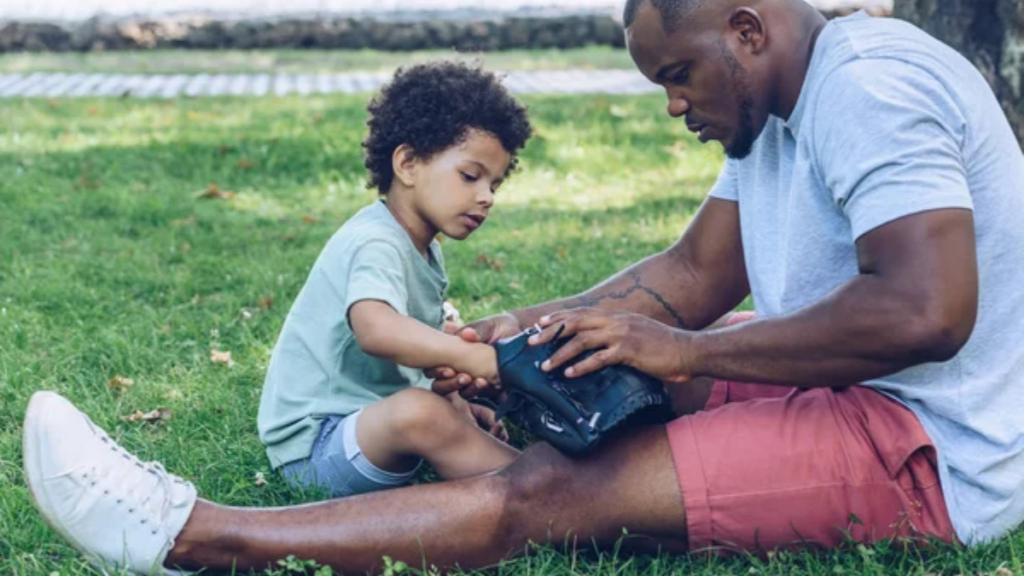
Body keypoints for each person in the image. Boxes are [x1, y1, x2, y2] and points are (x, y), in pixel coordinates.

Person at [21, 1, 1024, 575]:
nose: (674, 103)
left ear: (747, 29)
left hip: (927, 448)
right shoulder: (770, 119)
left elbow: (923, 310)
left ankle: (201, 537)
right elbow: (686, 279)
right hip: (856, 391)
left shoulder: (867, 87)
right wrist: (523, 337)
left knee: (548, 490)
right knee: (576, 395)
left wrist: (687, 354)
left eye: (679, 73)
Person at [254, 61, 530, 499]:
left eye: (494, 184)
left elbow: (418, 353)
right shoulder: (375, 241)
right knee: (418, 414)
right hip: (315, 447)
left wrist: (458, 406)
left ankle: (524, 472)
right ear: (407, 163)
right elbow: (377, 329)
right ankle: (549, 490)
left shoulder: (423, 248)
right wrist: (475, 359)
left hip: (363, 428)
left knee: (430, 410)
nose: (486, 197)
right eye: (470, 176)